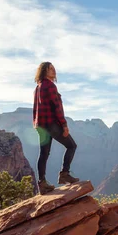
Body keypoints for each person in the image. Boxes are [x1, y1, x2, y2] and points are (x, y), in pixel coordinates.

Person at [33, 62, 79, 194]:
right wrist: (64, 125)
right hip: (51, 124)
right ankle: (64, 173)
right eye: (50, 69)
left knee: (44, 153)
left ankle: (42, 183)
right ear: (44, 71)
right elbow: (57, 108)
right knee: (71, 146)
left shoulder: (38, 87)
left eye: (54, 68)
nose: (54, 71)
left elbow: (36, 109)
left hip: (40, 125)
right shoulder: (50, 86)